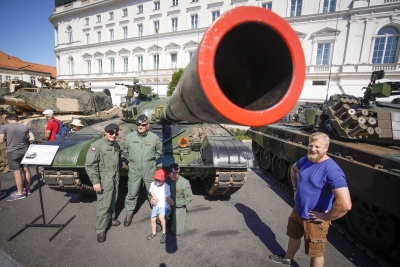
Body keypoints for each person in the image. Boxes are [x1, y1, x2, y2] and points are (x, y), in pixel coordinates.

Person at [269, 132, 352, 267]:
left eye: (317, 147)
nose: (313, 149)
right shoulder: (307, 160)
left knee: (316, 253)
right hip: (299, 209)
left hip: (315, 218)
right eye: (310, 145)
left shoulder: (332, 170)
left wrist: (326, 216)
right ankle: (288, 259)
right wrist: (295, 189)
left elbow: (345, 204)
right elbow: (294, 170)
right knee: (293, 236)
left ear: (326, 148)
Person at [121, 114, 163, 227]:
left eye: (143, 124)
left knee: (153, 193)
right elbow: (123, 150)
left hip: (149, 168)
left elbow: (159, 151)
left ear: (148, 125)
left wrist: (152, 160)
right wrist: (131, 159)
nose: (140, 126)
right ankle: (129, 213)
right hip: (134, 169)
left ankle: (157, 215)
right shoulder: (129, 137)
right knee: (132, 192)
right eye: (138, 124)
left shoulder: (154, 138)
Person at [85, 123, 121, 243]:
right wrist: (95, 182)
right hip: (104, 177)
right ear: (105, 132)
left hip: (114, 176)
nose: (114, 135)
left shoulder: (115, 143)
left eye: (116, 133)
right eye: (111, 133)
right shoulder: (97, 146)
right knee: (103, 203)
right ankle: (101, 229)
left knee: (113, 199)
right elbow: (90, 165)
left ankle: (110, 218)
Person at [0, 114, 35, 201]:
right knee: (26, 169)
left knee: (17, 172)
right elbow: (32, 138)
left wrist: (7, 139)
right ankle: (28, 189)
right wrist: (24, 138)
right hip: (24, 150)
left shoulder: (5, 127)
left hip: (12, 151)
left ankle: (20, 193)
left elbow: (1, 141)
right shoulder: (25, 127)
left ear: (8, 119)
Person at [164, 163, 193, 236]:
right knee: (158, 214)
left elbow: (189, 198)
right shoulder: (165, 180)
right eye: (172, 173)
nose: (174, 175)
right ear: (169, 173)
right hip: (167, 204)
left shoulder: (184, 182)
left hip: (178, 206)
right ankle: (166, 218)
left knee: (177, 232)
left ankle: (174, 218)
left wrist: (174, 203)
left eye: (176, 173)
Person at [147, 169, 170, 244]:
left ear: (164, 179)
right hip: (156, 205)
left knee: (161, 217)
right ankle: (153, 233)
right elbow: (151, 191)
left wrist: (169, 204)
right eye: (156, 179)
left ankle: (164, 233)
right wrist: (154, 196)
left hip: (163, 205)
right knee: (152, 219)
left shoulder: (166, 186)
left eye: (159, 180)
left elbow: (168, 196)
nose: (157, 182)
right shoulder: (153, 184)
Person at [0, 107, 10, 174]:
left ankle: (7, 165)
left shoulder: (3, 118)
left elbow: (7, 127)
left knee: (4, 151)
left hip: (3, 137)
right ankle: (2, 164)